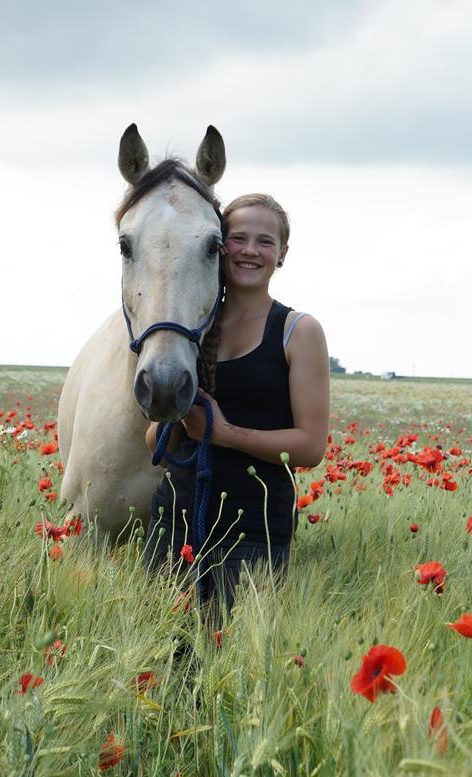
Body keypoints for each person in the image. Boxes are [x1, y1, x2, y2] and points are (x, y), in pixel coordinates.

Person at [143, 193, 330, 619]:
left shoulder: (298, 331)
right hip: (173, 523)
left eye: (265, 241)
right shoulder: (189, 328)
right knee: (158, 664)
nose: (250, 250)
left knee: (234, 668)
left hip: (254, 533)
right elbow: (152, 438)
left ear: (282, 254)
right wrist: (178, 421)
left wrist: (226, 434)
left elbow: (310, 447)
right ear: (220, 246)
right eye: (238, 238)